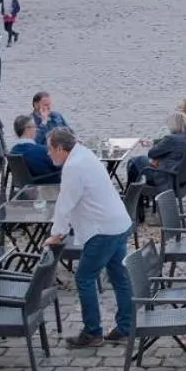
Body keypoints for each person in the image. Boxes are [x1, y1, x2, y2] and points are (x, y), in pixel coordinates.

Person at [44, 128, 135, 348]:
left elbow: (65, 203)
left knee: (84, 278)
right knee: (119, 277)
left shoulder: (73, 166)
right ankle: (126, 327)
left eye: (50, 149)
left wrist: (56, 234)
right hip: (118, 223)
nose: (48, 154)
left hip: (102, 229)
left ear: (59, 148)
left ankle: (92, 332)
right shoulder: (85, 155)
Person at [127, 109, 186, 189]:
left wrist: (157, 144)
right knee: (139, 162)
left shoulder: (170, 138)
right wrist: (153, 142)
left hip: (167, 177)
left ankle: (130, 192)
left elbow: (152, 154)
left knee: (134, 162)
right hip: (183, 178)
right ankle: (136, 193)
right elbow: (175, 146)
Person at [11, 115, 61, 185]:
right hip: (47, 185)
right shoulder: (41, 151)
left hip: (26, 186)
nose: (36, 129)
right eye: (34, 126)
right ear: (27, 129)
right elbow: (58, 165)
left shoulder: (13, 151)